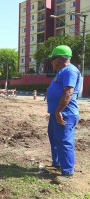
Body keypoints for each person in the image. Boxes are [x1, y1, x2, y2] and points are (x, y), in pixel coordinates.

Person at [45, 45, 82, 184]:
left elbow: (68, 92)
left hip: (65, 114)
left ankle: (67, 172)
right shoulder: (62, 71)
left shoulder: (70, 71)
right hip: (56, 113)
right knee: (55, 139)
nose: (51, 62)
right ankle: (58, 163)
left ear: (60, 58)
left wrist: (59, 111)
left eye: (53, 59)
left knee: (64, 141)